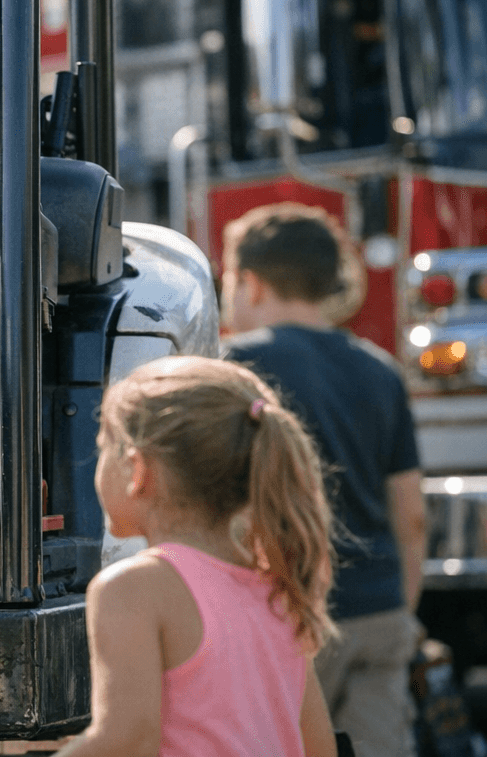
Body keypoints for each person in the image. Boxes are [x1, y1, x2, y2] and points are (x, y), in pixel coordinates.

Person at [220, 203, 426, 757]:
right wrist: (398, 611)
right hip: (377, 612)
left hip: (280, 612)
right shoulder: (380, 368)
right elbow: (410, 514)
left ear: (250, 282)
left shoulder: (231, 367)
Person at [57, 356, 339, 757]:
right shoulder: (278, 588)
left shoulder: (133, 588)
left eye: (103, 447)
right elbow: (320, 747)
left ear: (137, 469)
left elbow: (127, 740)